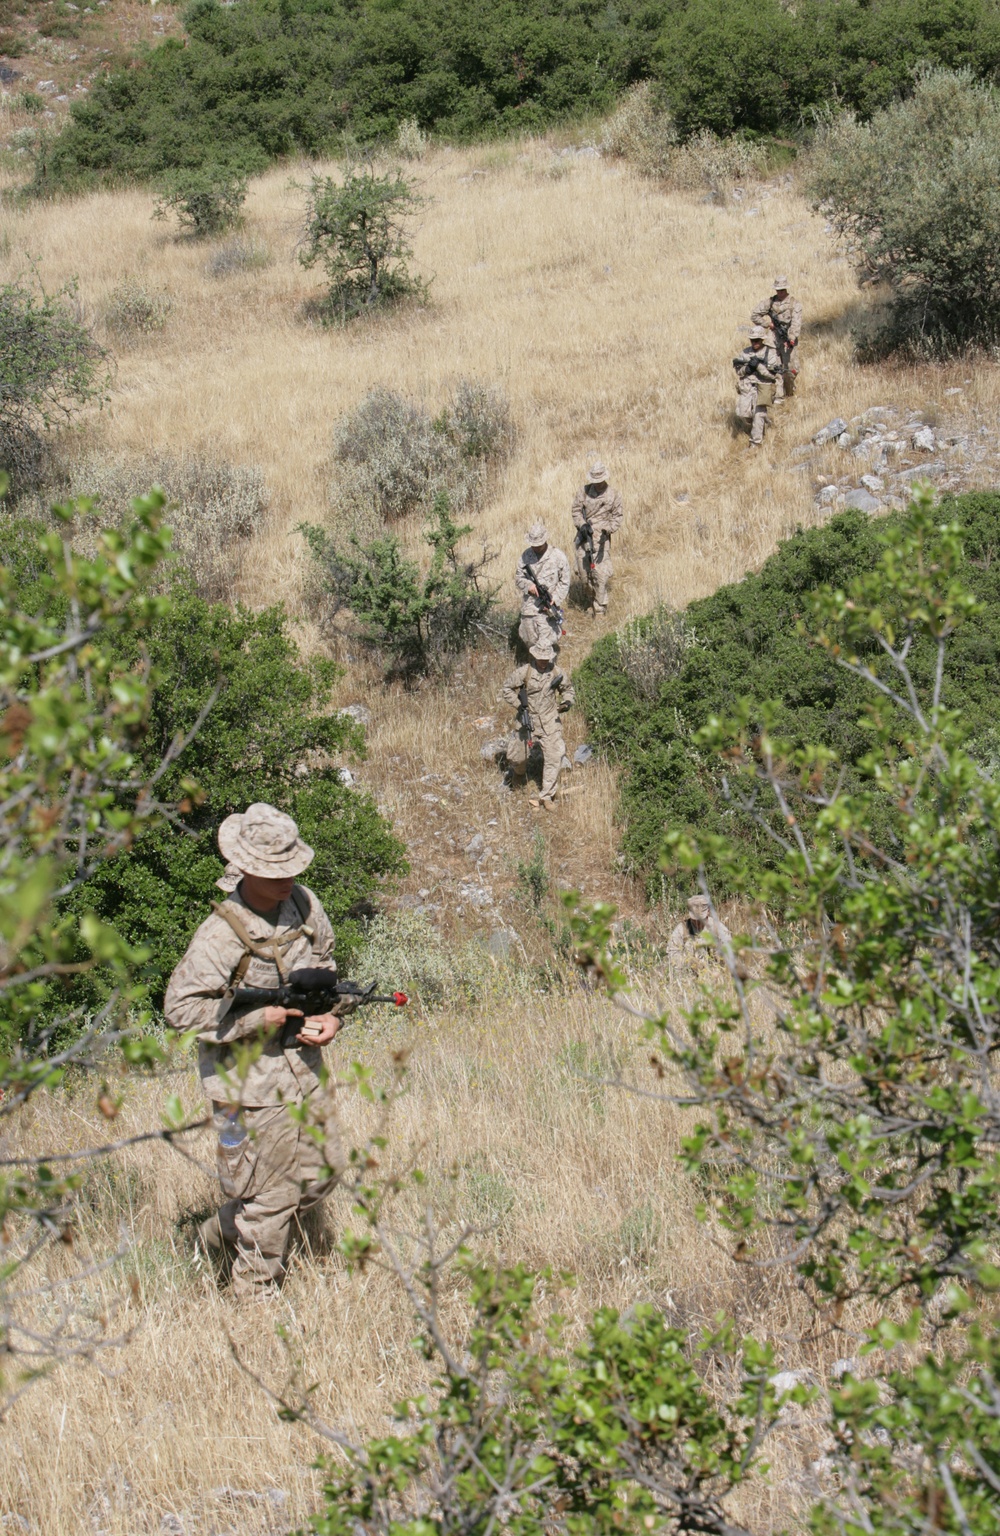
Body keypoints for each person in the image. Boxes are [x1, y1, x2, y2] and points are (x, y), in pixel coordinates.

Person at [164, 803, 357, 1300]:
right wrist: (252, 1020)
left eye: (292, 871)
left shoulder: (306, 908)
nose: (287, 881)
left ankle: (216, 1236)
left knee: (324, 1171)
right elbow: (180, 1010)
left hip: (302, 1070)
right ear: (247, 869)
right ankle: (253, 1299)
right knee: (270, 1194)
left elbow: (329, 974)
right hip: (244, 1085)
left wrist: (333, 1017)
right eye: (276, 874)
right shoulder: (220, 935)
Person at [501, 639, 574, 810]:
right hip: (528, 719)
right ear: (534, 656)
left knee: (555, 755)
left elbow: (568, 689)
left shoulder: (556, 672)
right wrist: (519, 705)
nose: (543, 661)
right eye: (540, 658)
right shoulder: (524, 672)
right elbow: (507, 689)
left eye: (546, 658)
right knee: (517, 756)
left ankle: (547, 796)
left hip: (549, 720)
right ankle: (518, 774)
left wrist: (567, 702)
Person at [571, 461, 624, 617]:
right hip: (584, 538)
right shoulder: (584, 492)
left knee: (599, 575)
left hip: (601, 541)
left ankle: (599, 609)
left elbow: (617, 516)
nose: (598, 484)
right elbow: (576, 511)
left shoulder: (614, 495)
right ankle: (591, 599)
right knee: (583, 574)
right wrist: (582, 525)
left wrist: (608, 529)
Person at [515, 520, 571, 652]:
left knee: (546, 643)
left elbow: (565, 581)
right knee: (529, 640)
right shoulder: (525, 556)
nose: (536, 547)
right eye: (533, 545)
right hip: (529, 608)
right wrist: (528, 586)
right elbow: (518, 578)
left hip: (548, 607)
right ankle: (534, 664)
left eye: (538, 545)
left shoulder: (558, 556)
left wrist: (555, 598)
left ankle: (547, 667)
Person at [751, 276, 802, 403]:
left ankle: (789, 391)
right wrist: (768, 325)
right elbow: (754, 315)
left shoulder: (794, 304)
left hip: (788, 339)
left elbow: (796, 323)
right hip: (773, 339)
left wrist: (791, 338)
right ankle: (779, 396)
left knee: (790, 369)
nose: (780, 292)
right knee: (775, 367)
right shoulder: (770, 302)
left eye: (782, 290)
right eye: (778, 290)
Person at [733, 326, 781, 448]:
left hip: (763, 386)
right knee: (744, 414)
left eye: (757, 340)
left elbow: (772, 375)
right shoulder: (745, 353)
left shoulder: (770, 353)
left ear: (762, 340)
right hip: (747, 386)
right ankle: (762, 422)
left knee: (758, 414)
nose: (754, 343)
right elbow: (739, 372)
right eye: (752, 340)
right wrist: (747, 369)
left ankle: (755, 442)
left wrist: (759, 367)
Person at [668, 895, 733, 969]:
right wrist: (691, 963)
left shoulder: (717, 927)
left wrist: (718, 956)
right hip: (688, 975)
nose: (697, 922)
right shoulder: (682, 929)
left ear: (708, 912)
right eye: (694, 919)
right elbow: (673, 955)